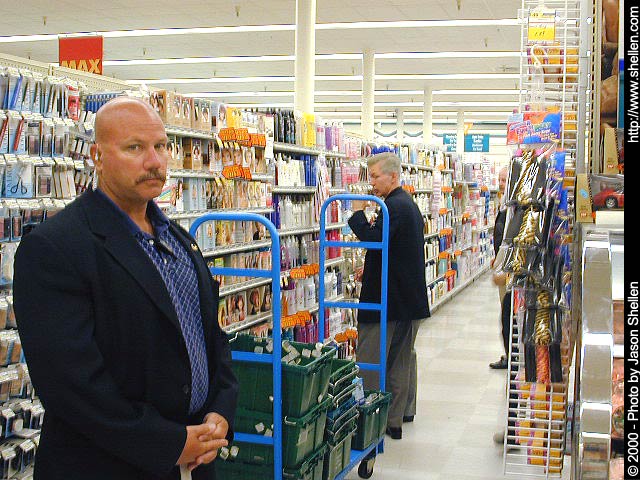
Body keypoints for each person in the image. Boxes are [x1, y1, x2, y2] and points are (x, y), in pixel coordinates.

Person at [13, 97, 238, 480]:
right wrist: (166, 442)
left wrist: (220, 409)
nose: (154, 161)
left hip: (194, 461)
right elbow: (72, 385)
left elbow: (210, 338)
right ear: (97, 156)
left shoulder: (180, 242)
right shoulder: (57, 247)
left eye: (161, 146)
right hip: (106, 466)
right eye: (134, 148)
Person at [348, 152, 430, 440]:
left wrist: (357, 214)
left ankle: (365, 422)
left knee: (369, 362)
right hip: (407, 300)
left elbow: (373, 240)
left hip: (387, 303)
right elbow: (394, 250)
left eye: (374, 176)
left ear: (393, 176)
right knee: (400, 360)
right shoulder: (405, 204)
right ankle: (394, 420)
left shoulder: (393, 206)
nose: (371, 183)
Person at [489, 166, 510, 370]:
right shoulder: (505, 205)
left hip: (509, 272)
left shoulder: (514, 208)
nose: (501, 184)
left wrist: (506, 271)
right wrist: (496, 257)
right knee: (505, 312)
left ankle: (511, 356)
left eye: (505, 180)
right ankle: (509, 354)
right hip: (502, 266)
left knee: (508, 314)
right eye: (500, 180)